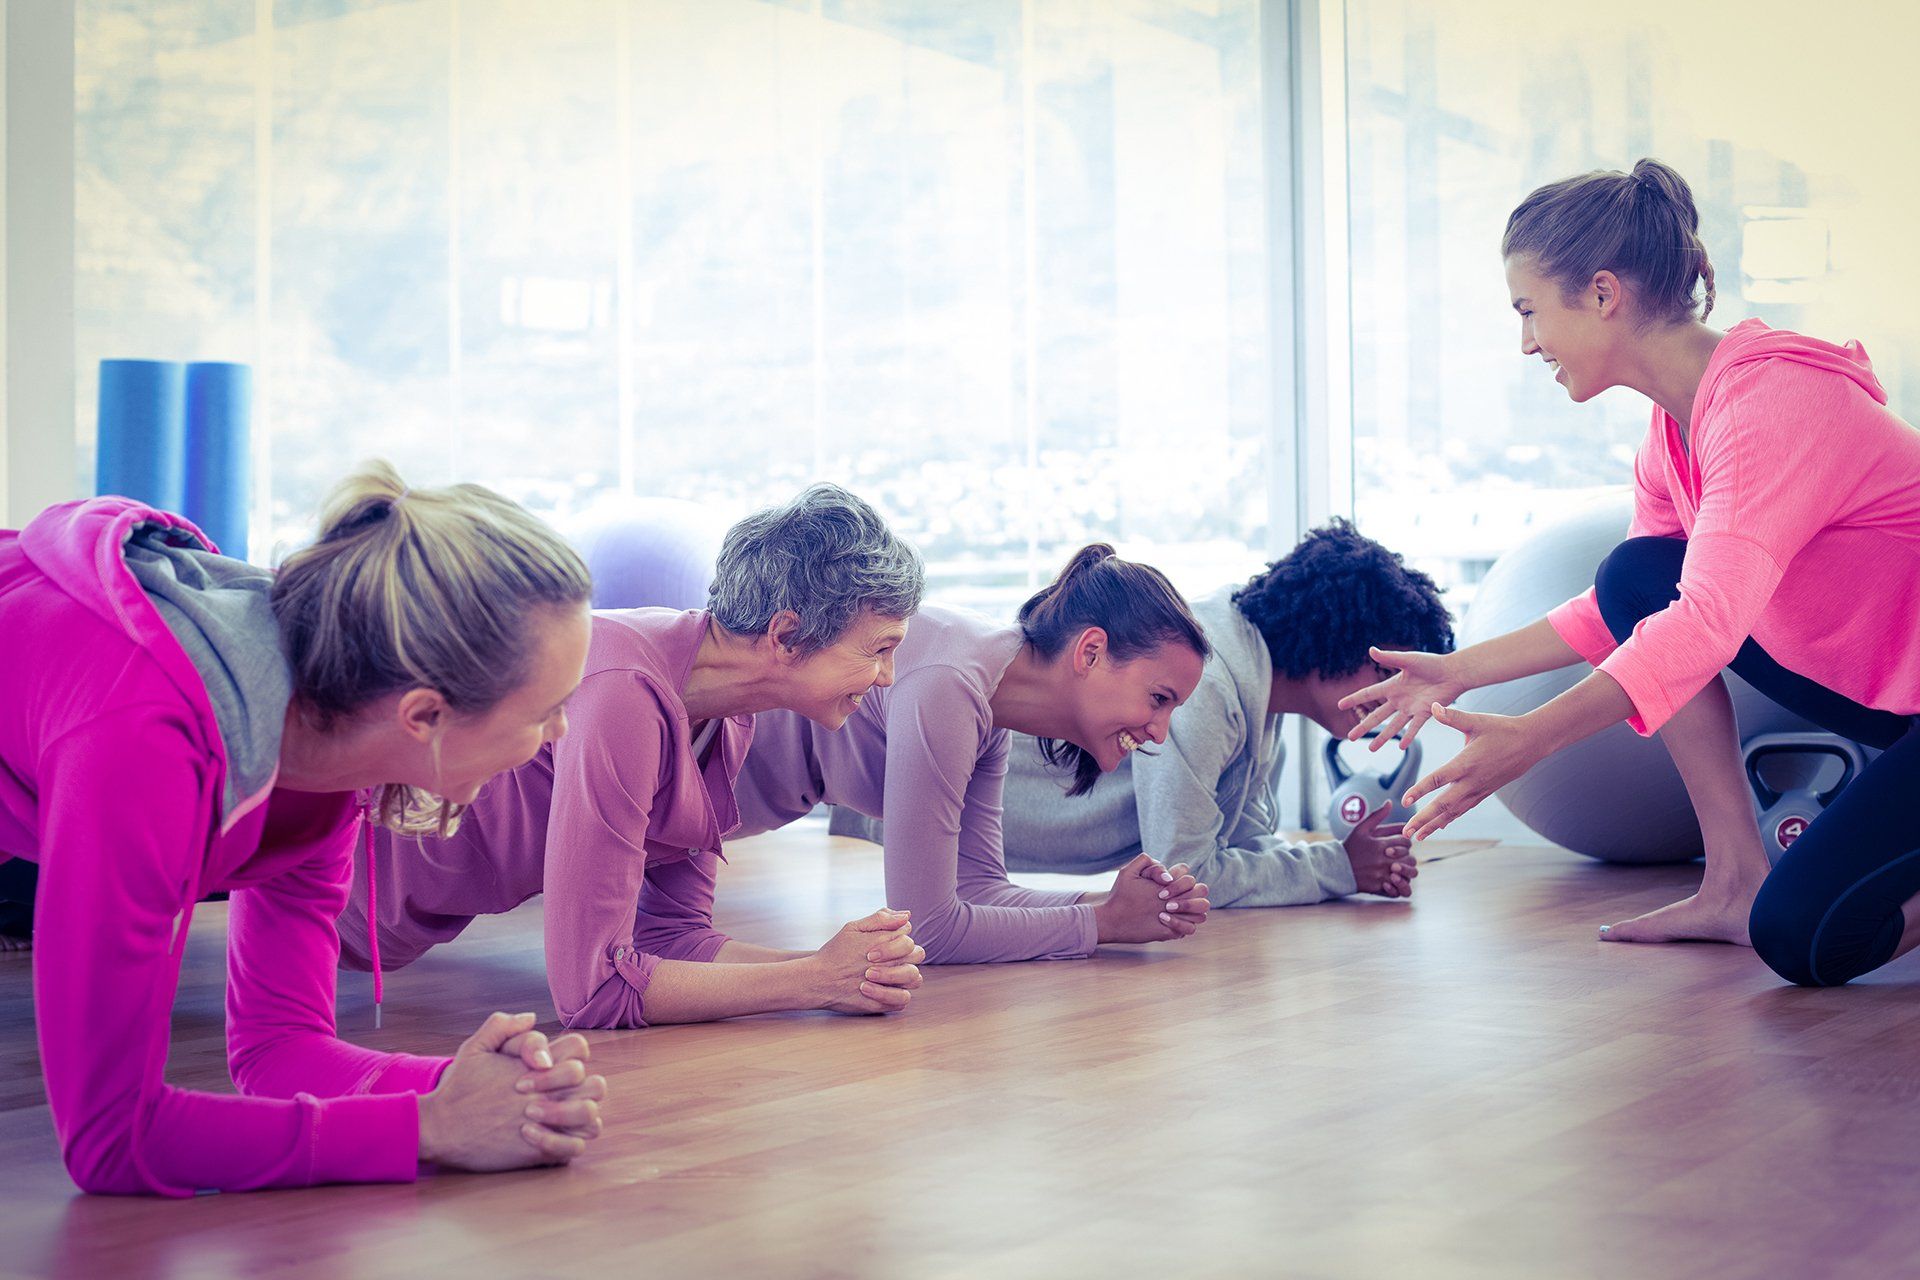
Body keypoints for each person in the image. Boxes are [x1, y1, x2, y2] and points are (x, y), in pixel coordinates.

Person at [1345, 158, 1920, 986]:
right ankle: (1733, 878)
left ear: (1603, 295)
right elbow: (1626, 606)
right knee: (1637, 575)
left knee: (1805, 941)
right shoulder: (1674, 430)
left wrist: (1533, 737)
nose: (1526, 341)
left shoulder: (1770, 405)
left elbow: (1705, 625)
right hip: (1891, 704)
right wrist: (1460, 672)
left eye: (1529, 309)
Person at [0, 462, 607, 1195]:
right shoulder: (144, 746)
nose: (561, 730)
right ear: (424, 716)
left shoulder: (323, 741)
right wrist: (433, 1128)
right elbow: (111, 1140)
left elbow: (278, 1050)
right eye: (545, 710)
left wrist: (474, 1091)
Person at [338, 484, 931, 1027]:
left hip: (386, 928)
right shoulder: (624, 687)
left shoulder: (728, 713)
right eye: (879, 650)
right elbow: (592, 990)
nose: (886, 678)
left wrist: (843, 967)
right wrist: (814, 980)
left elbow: (674, 939)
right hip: (331, 880)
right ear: (785, 635)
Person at [733, 544, 1216, 964]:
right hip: (686, 790)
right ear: (1090, 652)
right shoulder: (951, 682)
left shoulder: (987, 699)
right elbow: (928, 929)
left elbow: (980, 889)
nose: (1159, 733)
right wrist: (1104, 923)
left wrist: (1115, 903)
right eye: (1159, 699)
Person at [999, 521, 1450, 906]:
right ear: (1334, 638)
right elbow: (1183, 872)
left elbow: (1239, 846)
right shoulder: (1207, 683)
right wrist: (1340, 866)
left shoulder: (1258, 696)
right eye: (1386, 671)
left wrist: (1345, 865)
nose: (1397, 697)